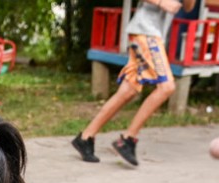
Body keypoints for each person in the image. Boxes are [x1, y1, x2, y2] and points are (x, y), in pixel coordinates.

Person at [71, 0, 199, 166]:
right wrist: (161, 2)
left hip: (149, 34)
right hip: (146, 32)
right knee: (166, 87)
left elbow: (189, 8)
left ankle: (85, 137)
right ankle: (128, 139)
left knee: (128, 91)